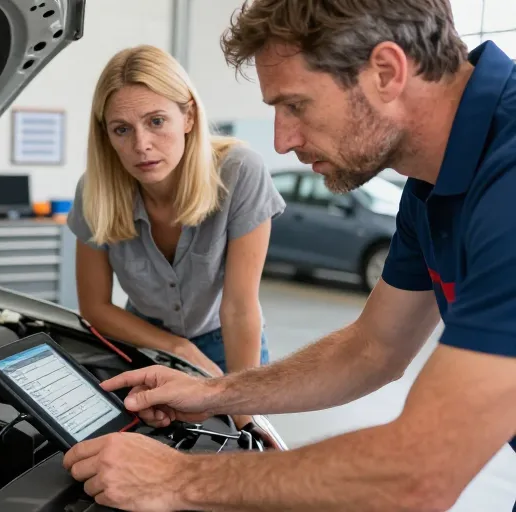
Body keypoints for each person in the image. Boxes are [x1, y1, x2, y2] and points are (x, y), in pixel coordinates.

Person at [61, 1, 516, 511]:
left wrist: (175, 477)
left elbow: (419, 473)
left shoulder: (509, 178)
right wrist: (215, 394)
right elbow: (371, 349)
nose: (281, 142)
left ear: (386, 72)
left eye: (295, 105)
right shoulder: (428, 186)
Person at [66, 44, 286, 387]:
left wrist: (242, 405)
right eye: (122, 129)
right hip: (142, 341)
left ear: (189, 117)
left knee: (242, 422)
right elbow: (95, 307)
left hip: (228, 342)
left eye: (156, 121)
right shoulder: (94, 191)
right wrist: (176, 347)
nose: (141, 145)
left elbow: (239, 309)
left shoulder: (240, 171)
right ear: (106, 135)